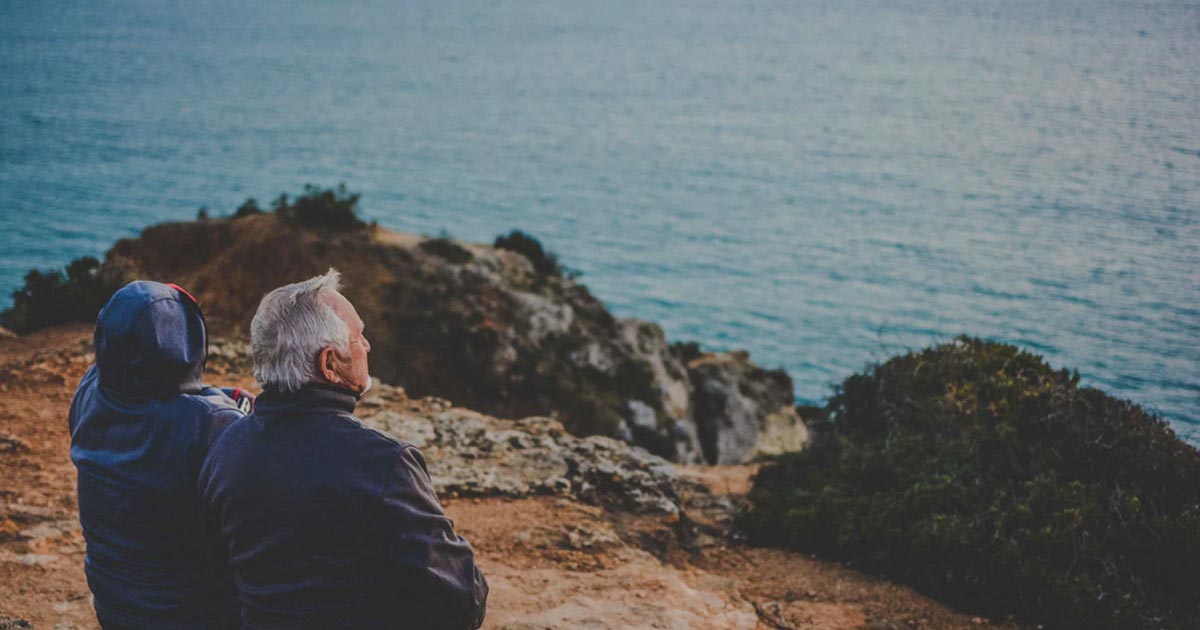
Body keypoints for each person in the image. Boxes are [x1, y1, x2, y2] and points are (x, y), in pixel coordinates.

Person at [198, 269, 488, 629]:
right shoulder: (384, 464)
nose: (367, 346)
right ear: (330, 364)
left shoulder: (225, 447)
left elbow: (215, 571)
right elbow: (463, 602)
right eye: (359, 337)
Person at [68, 281, 252, 629]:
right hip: (190, 616)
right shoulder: (211, 423)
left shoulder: (90, 391)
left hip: (113, 605)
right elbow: (256, 439)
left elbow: (161, 402)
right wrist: (233, 401)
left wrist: (217, 395)